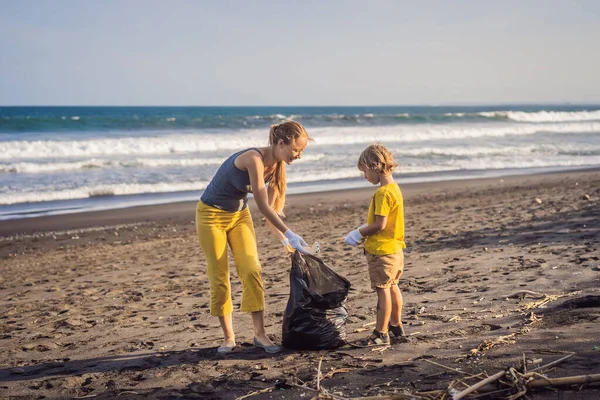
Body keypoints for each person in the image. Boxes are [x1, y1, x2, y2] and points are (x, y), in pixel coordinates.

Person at [196, 121, 312, 354]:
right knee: (219, 276)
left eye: (301, 151)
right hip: (210, 215)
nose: (298, 155)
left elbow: (271, 209)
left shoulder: (277, 165)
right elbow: (261, 204)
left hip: (239, 216)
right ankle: (229, 337)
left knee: (251, 269)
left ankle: (260, 335)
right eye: (296, 150)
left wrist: (285, 240)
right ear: (281, 143)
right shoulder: (253, 159)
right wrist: (290, 233)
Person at [344, 143, 406, 347]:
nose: (365, 176)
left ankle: (381, 333)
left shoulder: (382, 193)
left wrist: (358, 232)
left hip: (381, 252)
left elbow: (380, 224)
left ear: (374, 165)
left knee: (383, 291)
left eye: (365, 171)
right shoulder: (394, 188)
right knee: (393, 287)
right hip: (395, 249)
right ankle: (396, 325)